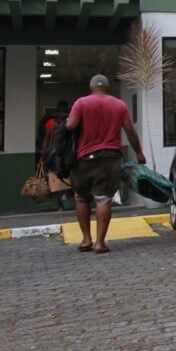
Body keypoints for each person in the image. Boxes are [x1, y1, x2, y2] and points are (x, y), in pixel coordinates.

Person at [66, 74, 146, 254]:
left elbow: (70, 126)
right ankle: (100, 243)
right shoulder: (119, 105)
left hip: (84, 158)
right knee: (103, 199)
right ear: (107, 88)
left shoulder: (81, 103)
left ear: (91, 87)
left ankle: (86, 239)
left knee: (82, 197)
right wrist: (139, 152)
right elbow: (129, 129)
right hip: (110, 158)